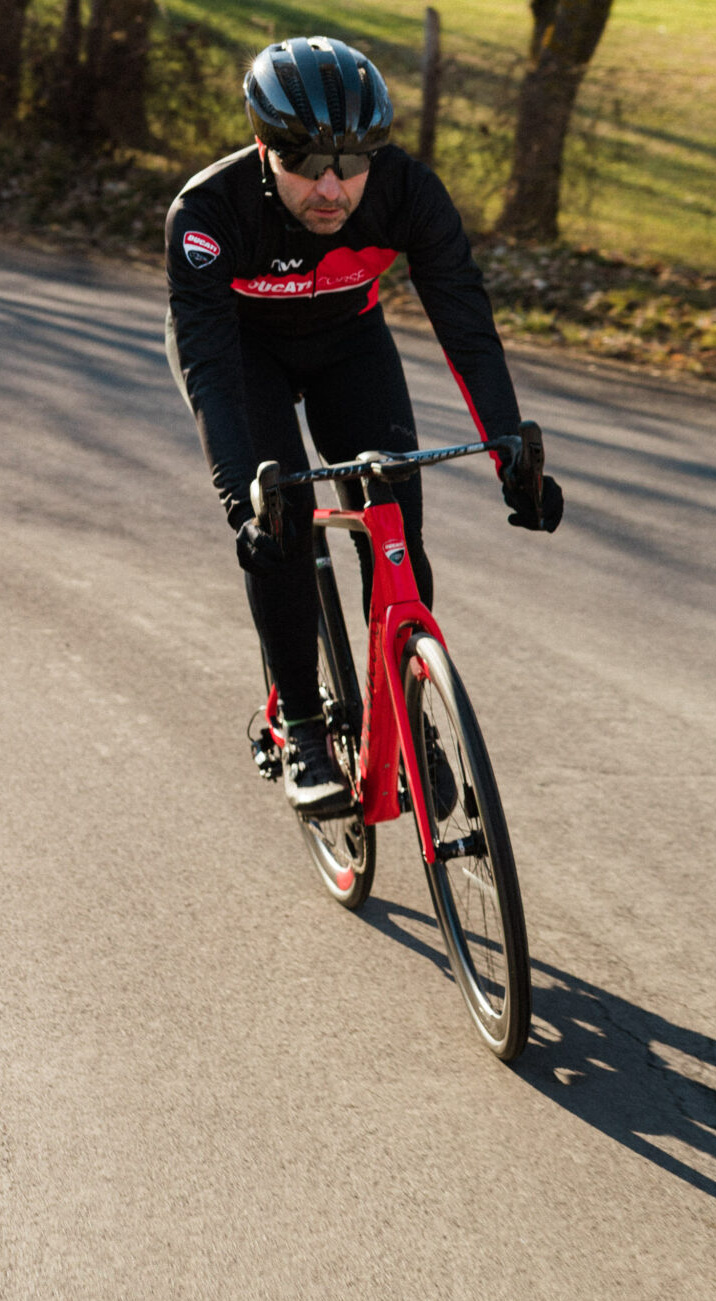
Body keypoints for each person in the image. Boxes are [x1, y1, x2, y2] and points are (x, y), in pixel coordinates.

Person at [164, 35, 564, 817]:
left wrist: (512, 455)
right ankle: (303, 729)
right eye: (307, 164)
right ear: (263, 148)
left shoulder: (408, 192)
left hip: (348, 341)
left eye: (350, 165)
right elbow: (210, 370)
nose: (331, 188)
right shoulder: (208, 213)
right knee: (280, 520)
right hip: (243, 353)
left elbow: (466, 325)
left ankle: (410, 717)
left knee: (396, 530)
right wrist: (243, 506)